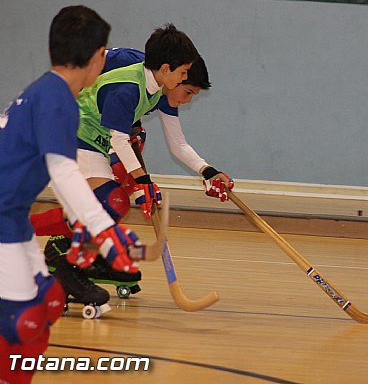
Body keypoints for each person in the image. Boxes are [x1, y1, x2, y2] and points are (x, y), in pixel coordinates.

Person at [30, 30, 232, 304]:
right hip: (71, 132)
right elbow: (119, 137)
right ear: (167, 70)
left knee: (116, 201)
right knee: (109, 201)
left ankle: (78, 250)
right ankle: (67, 262)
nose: (188, 98)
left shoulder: (161, 88)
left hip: (96, 138)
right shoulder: (127, 81)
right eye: (187, 88)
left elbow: (178, 144)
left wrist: (207, 171)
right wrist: (143, 181)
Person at [0, 5, 141, 384]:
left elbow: (48, 166)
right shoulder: (57, 98)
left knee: (47, 304)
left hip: (10, 219)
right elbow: (62, 171)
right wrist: (104, 231)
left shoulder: (48, 91)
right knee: (21, 321)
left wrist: (81, 224)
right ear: (98, 56)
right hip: (2, 225)